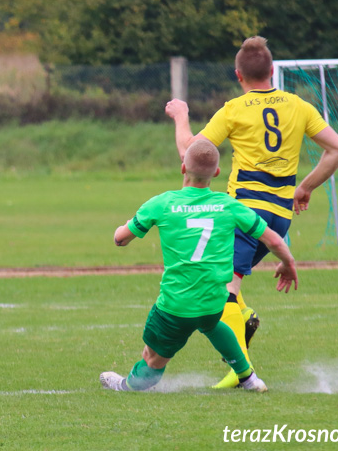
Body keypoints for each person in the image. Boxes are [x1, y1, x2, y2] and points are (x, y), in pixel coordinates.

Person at [165, 36, 338, 388]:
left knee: (224, 290)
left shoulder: (235, 109)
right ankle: (244, 318)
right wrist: (306, 187)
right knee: (222, 278)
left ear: (238, 75)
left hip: (246, 211)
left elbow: (189, 153)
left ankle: (241, 370)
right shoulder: (299, 105)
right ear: (272, 70)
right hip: (280, 214)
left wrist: (181, 115)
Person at [100, 140, 298, 393]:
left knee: (151, 358)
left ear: (183, 167)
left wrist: (128, 224)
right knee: (212, 323)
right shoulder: (229, 205)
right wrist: (288, 263)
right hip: (215, 300)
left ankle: (127, 386)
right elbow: (272, 239)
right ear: (216, 173)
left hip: (175, 304)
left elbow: (120, 239)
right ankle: (248, 377)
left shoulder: (161, 203)